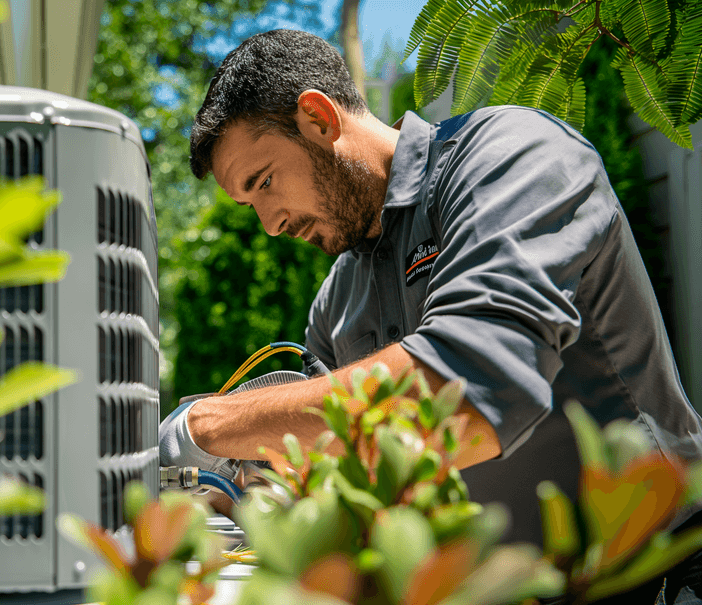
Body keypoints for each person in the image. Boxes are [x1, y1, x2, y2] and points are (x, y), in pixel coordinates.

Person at [161, 28, 702, 602]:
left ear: (318, 118)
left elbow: (474, 395)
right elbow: (330, 473)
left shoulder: (510, 158)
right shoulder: (337, 300)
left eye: (265, 182)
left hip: (650, 572)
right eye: (250, 204)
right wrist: (235, 493)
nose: (270, 224)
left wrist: (204, 425)